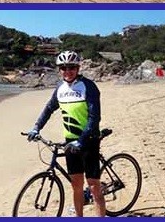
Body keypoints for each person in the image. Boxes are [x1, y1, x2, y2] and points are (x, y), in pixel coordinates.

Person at [26, 51, 106, 217]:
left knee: (93, 186)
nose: (67, 71)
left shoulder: (88, 86)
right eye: (63, 68)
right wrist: (36, 127)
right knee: (76, 186)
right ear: (59, 69)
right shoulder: (60, 89)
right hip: (70, 142)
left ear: (78, 68)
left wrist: (82, 140)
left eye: (71, 67)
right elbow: (49, 108)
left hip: (89, 141)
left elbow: (94, 117)